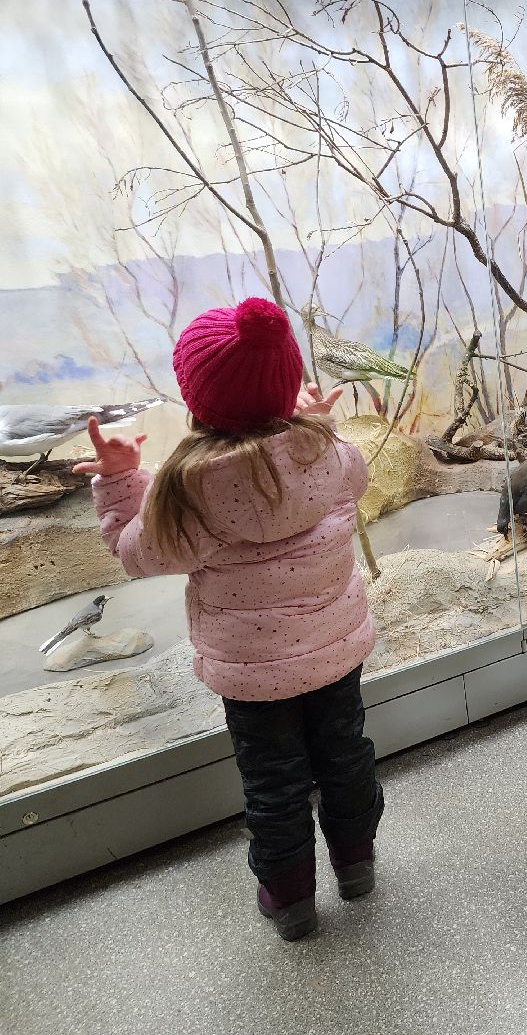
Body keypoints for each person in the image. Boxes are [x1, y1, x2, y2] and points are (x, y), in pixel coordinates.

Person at [77, 297, 382, 942]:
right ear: (289, 386)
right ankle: (357, 867)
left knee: (275, 785)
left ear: (197, 398)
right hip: (334, 651)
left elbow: (137, 553)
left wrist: (124, 484)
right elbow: (282, 475)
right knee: (346, 757)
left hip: (252, 675)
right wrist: (297, 431)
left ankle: (293, 901)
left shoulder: (189, 493)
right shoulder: (332, 457)